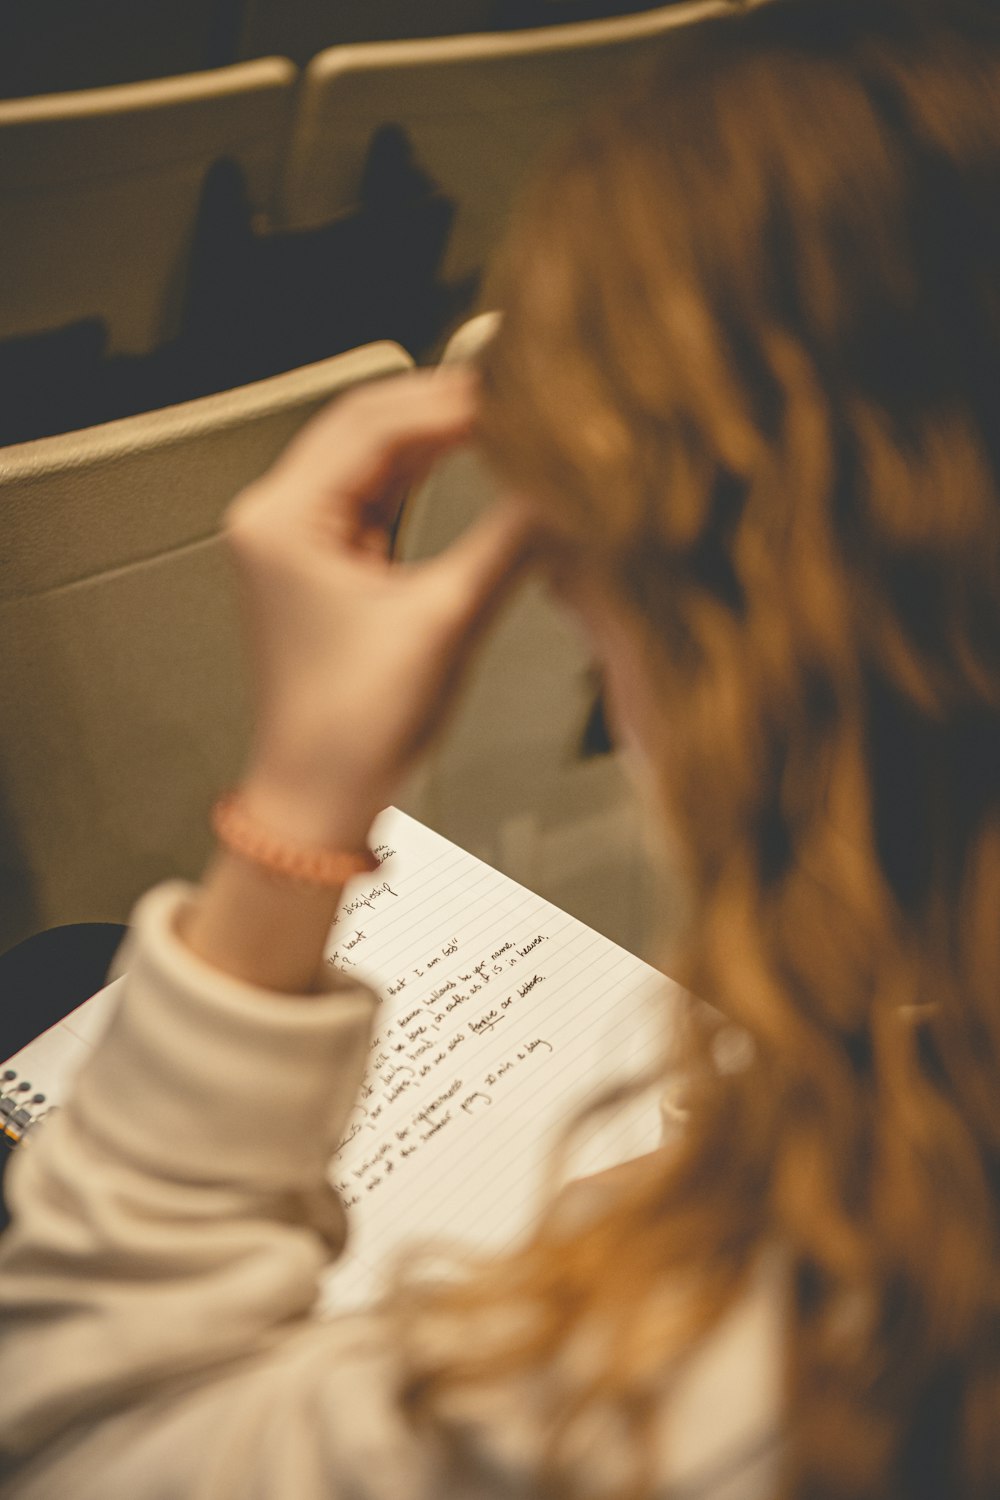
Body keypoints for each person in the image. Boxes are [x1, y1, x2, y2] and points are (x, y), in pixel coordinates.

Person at [2, 0, 1000, 1494]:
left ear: (750, 660)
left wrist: (298, 802)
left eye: (596, 618)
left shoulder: (730, 1379)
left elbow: (82, 1437)